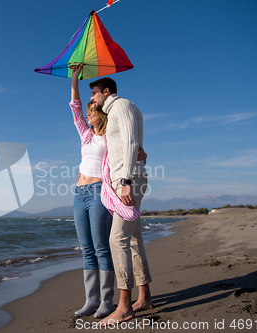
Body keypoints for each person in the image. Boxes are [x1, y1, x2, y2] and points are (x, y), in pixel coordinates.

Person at [69, 64, 146, 319]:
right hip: (79, 193)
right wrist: (75, 78)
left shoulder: (108, 137)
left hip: (100, 191)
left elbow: (128, 142)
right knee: (86, 248)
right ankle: (91, 299)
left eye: (92, 111)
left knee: (104, 246)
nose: (88, 114)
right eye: (88, 111)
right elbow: (75, 108)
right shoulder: (86, 136)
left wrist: (140, 153)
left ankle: (107, 300)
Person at [88, 76, 153, 324]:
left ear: (106, 91)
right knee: (134, 239)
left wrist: (125, 181)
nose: (92, 98)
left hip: (128, 180)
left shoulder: (122, 105)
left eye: (94, 93)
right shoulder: (122, 109)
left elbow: (129, 142)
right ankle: (144, 296)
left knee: (117, 239)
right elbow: (133, 144)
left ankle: (124, 306)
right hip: (126, 178)